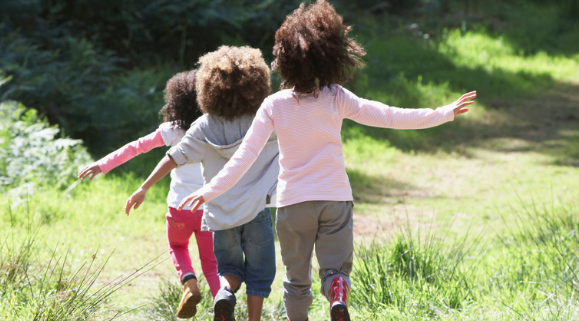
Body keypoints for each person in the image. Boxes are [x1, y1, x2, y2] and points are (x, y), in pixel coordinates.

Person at [176, 1, 477, 321]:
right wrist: (442, 113)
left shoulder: (274, 106)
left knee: (296, 282)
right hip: (335, 199)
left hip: (293, 206)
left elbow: (243, 158)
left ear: (284, 59)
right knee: (335, 270)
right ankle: (337, 291)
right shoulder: (336, 97)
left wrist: (210, 191)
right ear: (331, 56)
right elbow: (389, 116)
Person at [124, 46, 278, 321]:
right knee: (260, 273)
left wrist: (144, 187)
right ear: (256, 84)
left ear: (208, 87)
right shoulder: (263, 120)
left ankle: (224, 295)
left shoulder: (203, 126)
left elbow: (173, 157)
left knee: (228, 269)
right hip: (256, 211)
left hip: (220, 215)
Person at [77, 70, 220, 319]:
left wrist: (102, 164)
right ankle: (222, 308)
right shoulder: (216, 128)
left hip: (179, 208)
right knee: (211, 264)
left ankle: (189, 283)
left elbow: (136, 147)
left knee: (177, 245)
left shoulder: (173, 130)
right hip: (209, 208)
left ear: (176, 101)